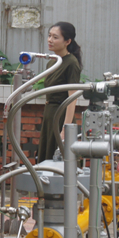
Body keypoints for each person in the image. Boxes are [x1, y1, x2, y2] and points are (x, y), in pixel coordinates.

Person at [36, 22, 82, 163]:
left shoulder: (71, 63)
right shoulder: (53, 62)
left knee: (60, 160)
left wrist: (65, 129)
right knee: (46, 158)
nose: (50, 40)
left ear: (67, 41)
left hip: (61, 115)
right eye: (49, 36)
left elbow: (72, 98)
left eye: (55, 37)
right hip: (49, 113)